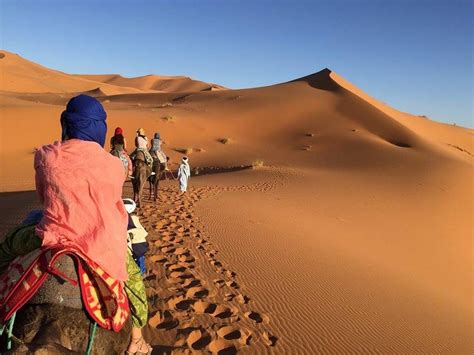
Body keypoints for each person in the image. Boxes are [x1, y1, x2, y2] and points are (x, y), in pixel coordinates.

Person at [0, 95, 152, 354]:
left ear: (67, 123)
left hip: (51, 235)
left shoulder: (46, 156)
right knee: (134, 283)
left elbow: (43, 196)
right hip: (100, 240)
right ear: (100, 129)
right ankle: (136, 338)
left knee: (6, 249)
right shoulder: (115, 165)